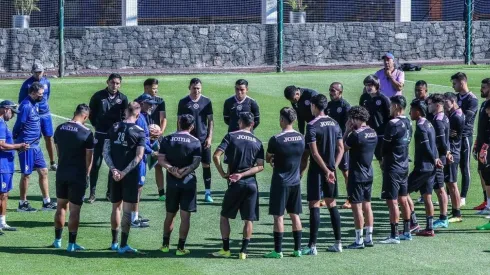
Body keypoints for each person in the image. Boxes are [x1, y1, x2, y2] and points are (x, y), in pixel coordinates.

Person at [211, 112, 264, 260]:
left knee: (224, 216)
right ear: (252, 124)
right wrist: (245, 174)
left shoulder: (231, 136)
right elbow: (260, 167)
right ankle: (243, 252)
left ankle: (226, 249)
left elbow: (216, 156)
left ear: (240, 122)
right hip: (252, 184)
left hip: (235, 183)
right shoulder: (258, 141)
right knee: (249, 219)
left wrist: (222, 173)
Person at [302, 94, 344, 255]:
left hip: (317, 171)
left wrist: (326, 170)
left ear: (314, 106)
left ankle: (312, 246)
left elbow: (313, 152)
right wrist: (333, 168)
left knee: (314, 204)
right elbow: (341, 148)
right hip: (331, 171)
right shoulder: (335, 123)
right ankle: (338, 243)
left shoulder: (312, 125)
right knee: (331, 204)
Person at [103, 102, 146, 254]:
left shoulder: (114, 127)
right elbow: (139, 156)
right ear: (138, 114)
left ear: (126, 112)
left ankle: (114, 243)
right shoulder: (140, 131)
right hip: (129, 175)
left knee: (115, 207)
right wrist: (124, 172)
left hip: (114, 174)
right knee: (127, 211)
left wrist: (114, 170)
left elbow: (105, 152)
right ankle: (123, 245)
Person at [52, 104, 94, 251]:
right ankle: (71, 244)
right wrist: (87, 175)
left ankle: (57, 240)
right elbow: (89, 158)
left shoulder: (60, 128)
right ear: (85, 116)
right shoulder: (86, 133)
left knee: (60, 207)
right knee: (75, 210)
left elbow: (58, 152)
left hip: (62, 171)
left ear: (74, 113)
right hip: (77, 174)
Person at [158, 114, 202, 256]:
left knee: (170, 214)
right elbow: (195, 163)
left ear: (179, 123)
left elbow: (161, 160)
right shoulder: (195, 142)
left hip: (172, 181)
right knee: (185, 217)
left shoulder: (168, 139)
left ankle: (165, 245)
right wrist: (184, 172)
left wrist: (172, 170)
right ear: (192, 126)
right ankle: (180, 248)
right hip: (188, 181)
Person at [263, 107, 304, 259]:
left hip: (280, 182)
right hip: (295, 181)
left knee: (278, 217)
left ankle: (278, 250)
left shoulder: (276, 139)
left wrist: (273, 160)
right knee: (295, 215)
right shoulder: (301, 137)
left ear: (282, 119)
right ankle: (297, 249)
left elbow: (268, 158)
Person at [13, 82, 57, 212]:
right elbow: (18, 125)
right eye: (40, 94)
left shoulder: (35, 104)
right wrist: (17, 142)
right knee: (26, 174)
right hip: (27, 145)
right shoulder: (26, 106)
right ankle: (22, 203)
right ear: (32, 93)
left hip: (35, 145)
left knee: (43, 171)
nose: (42, 96)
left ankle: (46, 202)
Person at [88, 73, 129, 203]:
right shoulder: (98, 96)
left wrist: (117, 129)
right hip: (100, 135)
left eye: (117, 83)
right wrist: (96, 125)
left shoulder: (123, 98)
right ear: (107, 82)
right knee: (96, 164)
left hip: (114, 137)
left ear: (120, 84)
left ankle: (110, 192)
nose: (114, 85)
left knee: (113, 165)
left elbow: (124, 116)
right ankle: (92, 193)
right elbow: (91, 113)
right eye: (112, 82)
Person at [342, 106, 377, 249]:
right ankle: (369, 238)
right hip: (369, 173)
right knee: (367, 206)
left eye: (351, 119)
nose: (350, 121)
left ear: (356, 118)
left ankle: (359, 240)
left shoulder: (355, 135)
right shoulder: (373, 132)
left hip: (356, 175)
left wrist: (346, 131)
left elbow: (342, 148)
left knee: (356, 208)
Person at [380, 96, 413, 243]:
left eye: (391, 105)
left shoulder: (392, 124)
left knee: (392, 201)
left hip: (392, 166)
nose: (389, 108)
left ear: (397, 106)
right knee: (403, 199)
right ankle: (407, 232)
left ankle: (394, 235)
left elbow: (385, 146)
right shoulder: (408, 122)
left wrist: (382, 158)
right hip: (404, 165)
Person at [407, 100, 442, 237]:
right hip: (431, 168)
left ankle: (413, 222)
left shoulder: (421, 127)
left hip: (423, 167)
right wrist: (436, 159)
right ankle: (429, 228)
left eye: (411, 110)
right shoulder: (429, 124)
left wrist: (434, 158)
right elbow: (434, 145)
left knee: (402, 192)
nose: (410, 113)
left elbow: (427, 147)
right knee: (427, 196)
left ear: (418, 111)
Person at [177, 78, 215, 203]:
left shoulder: (206, 101)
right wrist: (180, 137)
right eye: (194, 88)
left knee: (206, 165)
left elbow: (210, 121)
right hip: (188, 140)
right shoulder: (183, 102)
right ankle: (185, 191)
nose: (196, 91)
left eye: (198, 88)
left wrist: (209, 137)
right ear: (189, 88)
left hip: (203, 139)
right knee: (187, 165)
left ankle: (207, 192)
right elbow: (179, 122)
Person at [18, 63, 57, 171]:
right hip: (34, 115)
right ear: (32, 72)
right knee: (34, 138)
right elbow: (21, 101)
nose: (38, 74)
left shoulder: (47, 82)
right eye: (36, 72)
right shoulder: (27, 84)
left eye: (40, 72)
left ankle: (53, 162)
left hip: (45, 114)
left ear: (43, 72)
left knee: (49, 137)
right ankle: (34, 161)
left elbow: (46, 96)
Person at [132, 94, 159, 227]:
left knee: (138, 187)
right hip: (139, 158)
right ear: (141, 104)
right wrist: (152, 152)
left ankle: (134, 215)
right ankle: (133, 218)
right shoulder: (140, 119)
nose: (151, 106)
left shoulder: (142, 117)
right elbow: (140, 142)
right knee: (137, 187)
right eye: (149, 104)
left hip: (139, 157)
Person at [0, 101, 27, 234]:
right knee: (2, 194)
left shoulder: (2, 123)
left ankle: (2, 223)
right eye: (12, 112)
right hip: (2, 165)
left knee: (4, 195)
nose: (13, 116)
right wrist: (18, 146)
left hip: (6, 165)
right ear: (5, 109)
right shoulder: (0, 124)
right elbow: (1, 145)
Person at [452, 72, 478, 208]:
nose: (453, 86)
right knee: (453, 166)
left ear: (462, 83)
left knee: (464, 166)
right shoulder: (455, 97)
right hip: (454, 136)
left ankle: (463, 197)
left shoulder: (472, 100)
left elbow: (466, 119)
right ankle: (453, 195)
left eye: (454, 83)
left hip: (465, 137)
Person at [141, 78, 167, 202]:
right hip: (143, 138)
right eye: (153, 89)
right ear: (146, 88)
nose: (155, 91)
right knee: (139, 163)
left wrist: (160, 131)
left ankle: (161, 192)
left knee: (158, 164)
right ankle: (136, 189)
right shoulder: (139, 101)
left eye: (157, 89)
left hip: (156, 137)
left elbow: (163, 118)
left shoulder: (160, 101)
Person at [326, 82, 351, 209]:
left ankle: (350, 198)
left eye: (333, 90)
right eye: (330, 90)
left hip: (341, 144)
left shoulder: (345, 106)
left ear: (340, 92)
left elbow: (348, 126)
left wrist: (342, 141)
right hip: (330, 143)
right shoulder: (328, 106)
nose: (331, 92)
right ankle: (330, 196)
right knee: (331, 169)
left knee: (345, 172)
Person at [427, 94, 451, 229]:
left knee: (440, 188)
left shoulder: (438, 120)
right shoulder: (443, 117)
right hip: (440, 157)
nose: (428, 106)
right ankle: (443, 216)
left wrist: (442, 154)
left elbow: (441, 142)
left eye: (430, 104)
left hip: (438, 159)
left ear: (437, 105)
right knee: (439, 187)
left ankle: (443, 218)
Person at [283, 85, 318, 177]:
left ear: (297, 93)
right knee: (304, 155)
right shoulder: (294, 100)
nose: (293, 102)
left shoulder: (312, 95)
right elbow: (300, 117)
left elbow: (320, 113)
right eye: (291, 100)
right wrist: (301, 135)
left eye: (294, 99)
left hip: (318, 130)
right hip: (309, 129)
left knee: (317, 157)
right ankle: (297, 181)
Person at [443, 92, 464, 223]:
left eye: (446, 102)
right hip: (453, 151)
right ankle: (455, 211)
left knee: (452, 183)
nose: (444, 105)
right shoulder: (455, 114)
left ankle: (457, 213)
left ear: (453, 101)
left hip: (453, 152)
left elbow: (450, 136)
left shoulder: (456, 117)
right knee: (450, 183)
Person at [359, 75, 391, 164]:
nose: (368, 87)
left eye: (370, 85)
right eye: (366, 85)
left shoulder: (383, 98)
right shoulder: (364, 98)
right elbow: (361, 114)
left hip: (381, 133)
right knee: (365, 159)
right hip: (368, 132)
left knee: (382, 160)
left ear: (376, 85)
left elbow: (390, 116)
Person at [474, 78, 490, 215]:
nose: (481, 89)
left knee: (488, 173)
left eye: (484, 87)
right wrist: (477, 143)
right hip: (481, 144)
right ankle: (486, 201)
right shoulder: (484, 104)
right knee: (482, 172)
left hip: (487, 146)